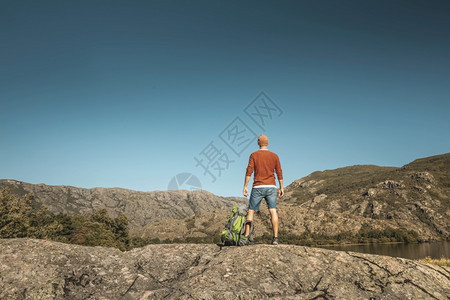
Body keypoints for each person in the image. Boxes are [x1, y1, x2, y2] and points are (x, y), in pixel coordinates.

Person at [243, 134, 283, 245]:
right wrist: (281, 187)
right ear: (267, 143)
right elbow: (279, 172)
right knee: (273, 211)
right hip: (271, 187)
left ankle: (246, 236)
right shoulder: (274, 156)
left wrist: (245, 186)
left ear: (258, 143)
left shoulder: (254, 155)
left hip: (258, 187)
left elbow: (249, 171)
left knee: (251, 211)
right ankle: (275, 238)